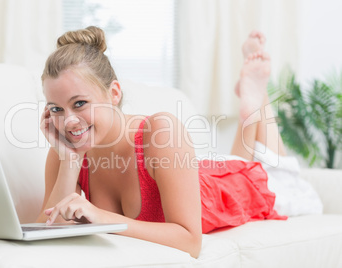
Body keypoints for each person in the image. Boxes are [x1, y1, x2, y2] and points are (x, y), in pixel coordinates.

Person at [36, 26, 287, 258]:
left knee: (278, 175)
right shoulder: (66, 151)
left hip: (239, 191)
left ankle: (257, 103)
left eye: (79, 103)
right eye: (56, 109)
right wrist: (71, 160)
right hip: (200, 174)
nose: (68, 122)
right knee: (238, 162)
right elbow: (47, 230)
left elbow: (191, 242)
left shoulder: (161, 132)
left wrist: (103, 218)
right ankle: (253, 106)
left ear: (113, 93)